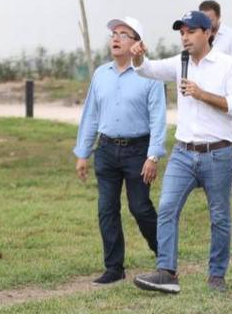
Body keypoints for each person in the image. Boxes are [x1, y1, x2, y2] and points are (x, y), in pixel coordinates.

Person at [130, 10, 232, 294]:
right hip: (183, 153)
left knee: (219, 217)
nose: (185, 37)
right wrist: (137, 57)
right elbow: (147, 69)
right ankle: (166, 272)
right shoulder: (179, 61)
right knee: (168, 209)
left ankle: (216, 276)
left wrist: (201, 93)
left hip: (217, 154)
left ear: (208, 33)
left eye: (191, 31)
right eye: (182, 32)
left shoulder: (228, 64)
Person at [73, 15, 165, 285]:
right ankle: (114, 268)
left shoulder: (149, 75)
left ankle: (165, 256)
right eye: (114, 34)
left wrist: (153, 155)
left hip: (138, 151)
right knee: (106, 209)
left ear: (137, 43)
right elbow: (90, 115)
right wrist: (83, 153)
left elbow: (158, 118)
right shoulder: (101, 74)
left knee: (140, 208)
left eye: (124, 34)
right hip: (106, 149)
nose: (115, 38)